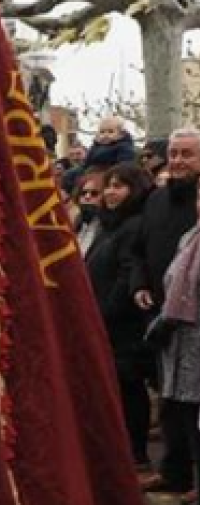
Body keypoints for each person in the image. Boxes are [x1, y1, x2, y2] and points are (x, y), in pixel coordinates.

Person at [133, 128, 200, 496]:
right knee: (171, 402)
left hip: (192, 322)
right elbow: (138, 248)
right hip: (160, 317)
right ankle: (175, 473)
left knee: (193, 406)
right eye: (173, 153)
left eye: (187, 154)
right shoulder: (155, 199)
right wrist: (139, 285)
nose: (177, 161)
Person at [82, 163, 154, 472]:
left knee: (129, 389)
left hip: (122, 326)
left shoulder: (134, 226)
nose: (110, 193)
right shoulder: (109, 225)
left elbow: (127, 276)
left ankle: (136, 456)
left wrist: (104, 313)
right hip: (103, 322)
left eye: (118, 186)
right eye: (108, 186)